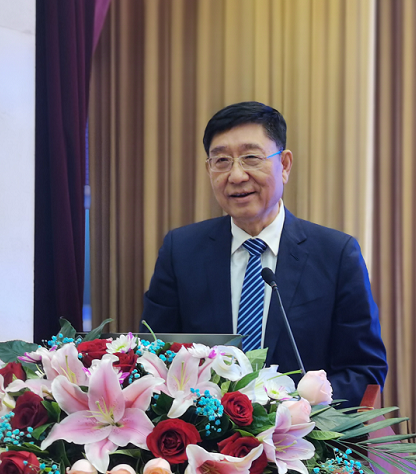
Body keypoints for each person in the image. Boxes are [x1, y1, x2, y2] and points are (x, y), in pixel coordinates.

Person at [140, 101, 387, 406]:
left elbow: (363, 370)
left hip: (305, 430)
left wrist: (295, 412)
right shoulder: (181, 251)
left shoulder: (336, 255)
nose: (236, 175)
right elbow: (153, 356)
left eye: (251, 158)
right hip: (204, 430)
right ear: (208, 169)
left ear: (284, 165)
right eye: (221, 161)